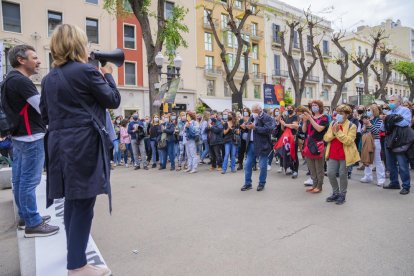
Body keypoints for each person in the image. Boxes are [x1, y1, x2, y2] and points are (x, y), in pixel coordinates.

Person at [40, 24, 120, 275]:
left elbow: (44, 113)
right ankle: (77, 267)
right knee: (83, 203)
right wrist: (107, 73)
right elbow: (113, 101)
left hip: (58, 145)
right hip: (83, 143)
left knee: (73, 202)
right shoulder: (87, 71)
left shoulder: (48, 78)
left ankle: (75, 259)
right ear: (77, 45)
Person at [3, 44, 59, 237]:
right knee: (29, 180)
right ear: (21, 60)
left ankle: (26, 217)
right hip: (31, 137)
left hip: (20, 136)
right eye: (34, 57)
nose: (39, 61)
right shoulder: (22, 82)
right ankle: (33, 223)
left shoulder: (9, 79)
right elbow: (42, 108)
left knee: (20, 179)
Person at [324, 104, 360, 205]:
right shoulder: (332, 123)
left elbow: (349, 141)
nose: (338, 115)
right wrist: (333, 133)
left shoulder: (352, 126)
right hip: (332, 153)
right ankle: (335, 193)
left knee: (343, 175)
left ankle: (342, 195)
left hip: (345, 155)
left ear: (347, 115)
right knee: (330, 173)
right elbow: (326, 138)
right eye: (337, 113)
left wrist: (338, 132)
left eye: (341, 113)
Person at [381, 95, 412, 195]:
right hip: (389, 140)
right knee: (390, 164)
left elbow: (405, 123)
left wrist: (390, 119)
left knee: (402, 164)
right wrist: (385, 119)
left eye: (393, 100)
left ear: (399, 101)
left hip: (400, 141)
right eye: (389, 100)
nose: (390, 102)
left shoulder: (405, 110)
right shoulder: (389, 112)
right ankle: (394, 182)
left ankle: (406, 186)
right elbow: (382, 128)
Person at [241, 104, 274, 192]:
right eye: (252, 111)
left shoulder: (267, 117)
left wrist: (255, 127)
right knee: (247, 164)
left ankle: (261, 183)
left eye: (254, 111)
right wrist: (245, 125)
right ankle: (248, 183)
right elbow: (249, 125)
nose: (253, 113)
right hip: (251, 144)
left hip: (262, 144)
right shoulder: (252, 116)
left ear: (259, 110)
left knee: (262, 165)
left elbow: (269, 130)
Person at [301, 100, 329, 193]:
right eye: (312, 105)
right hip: (309, 144)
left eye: (315, 105)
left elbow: (319, 129)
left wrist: (310, 119)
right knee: (311, 167)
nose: (313, 107)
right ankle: (314, 184)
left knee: (319, 167)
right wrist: (305, 121)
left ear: (320, 107)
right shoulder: (310, 117)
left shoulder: (324, 117)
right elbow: (304, 131)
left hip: (319, 145)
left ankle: (319, 186)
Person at [360, 105, 385, 186]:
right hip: (367, 141)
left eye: (369, 110)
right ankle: (368, 176)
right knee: (367, 158)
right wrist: (364, 128)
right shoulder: (367, 119)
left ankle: (381, 178)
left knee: (377, 160)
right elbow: (362, 131)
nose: (367, 111)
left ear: (374, 111)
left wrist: (369, 124)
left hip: (375, 141)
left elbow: (377, 131)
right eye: (367, 110)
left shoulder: (379, 120)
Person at [279, 105, 299, 178]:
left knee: (294, 153)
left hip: (293, 137)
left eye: (291, 109)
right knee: (288, 153)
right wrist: (282, 123)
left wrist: (285, 124)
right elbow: (283, 128)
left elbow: (294, 126)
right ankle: (291, 168)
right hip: (287, 138)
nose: (289, 110)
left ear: (293, 109)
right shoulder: (287, 117)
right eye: (288, 109)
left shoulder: (295, 117)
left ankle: (296, 171)